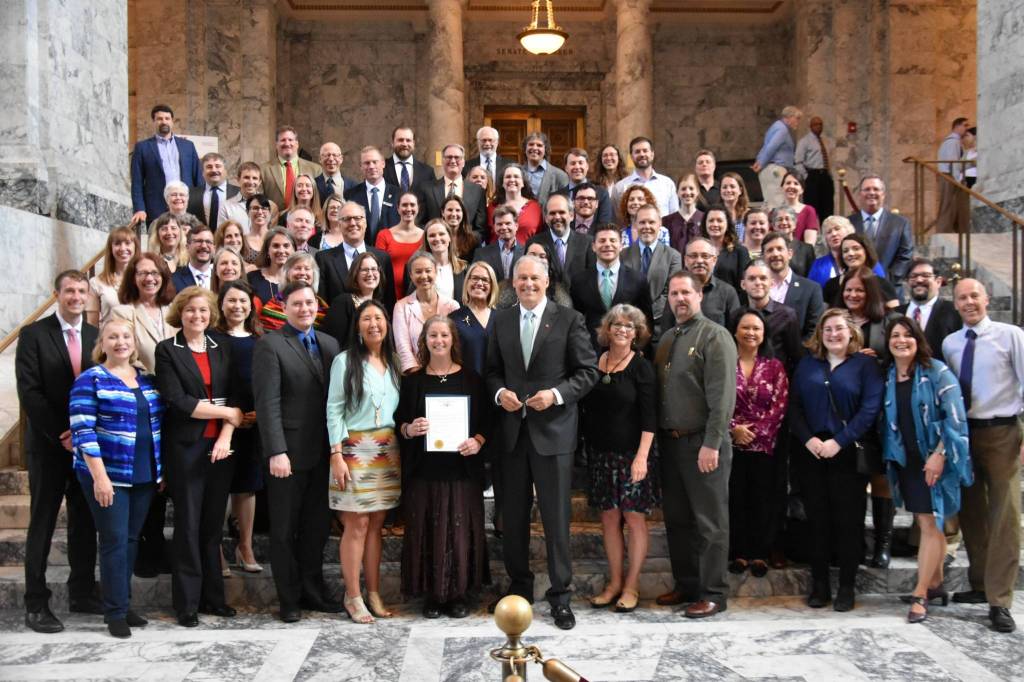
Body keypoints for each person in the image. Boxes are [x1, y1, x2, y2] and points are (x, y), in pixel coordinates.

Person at [485, 255, 599, 630]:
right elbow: (491, 371)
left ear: (547, 281)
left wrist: (556, 394)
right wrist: (499, 391)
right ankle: (519, 588)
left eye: (534, 278)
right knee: (512, 519)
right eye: (521, 279)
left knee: (556, 518)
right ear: (512, 283)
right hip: (513, 435)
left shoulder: (569, 319)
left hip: (554, 435)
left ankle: (561, 596)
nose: (528, 284)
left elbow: (588, 372)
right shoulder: (500, 320)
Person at [16, 270, 101, 633]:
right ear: (56, 295)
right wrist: (62, 433)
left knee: (85, 521)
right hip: (49, 447)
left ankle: (82, 591)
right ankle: (36, 602)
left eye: (82, 291)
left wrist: (85, 435)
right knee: (43, 522)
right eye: (69, 291)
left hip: (86, 448)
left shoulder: (96, 336)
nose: (76, 296)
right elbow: (30, 392)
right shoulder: (34, 334)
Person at [253, 281, 342, 623]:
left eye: (309, 303)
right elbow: (267, 402)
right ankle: (288, 598)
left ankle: (313, 591)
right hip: (286, 457)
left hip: (323, 454)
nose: (305, 309)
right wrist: (276, 450)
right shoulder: (271, 345)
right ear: (284, 307)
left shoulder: (330, 344)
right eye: (297, 304)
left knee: (316, 528)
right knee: (284, 530)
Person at [68, 317, 163, 638]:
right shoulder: (90, 379)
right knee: (114, 541)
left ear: (134, 343)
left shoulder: (147, 380)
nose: (120, 341)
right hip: (108, 475)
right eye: (112, 337)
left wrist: (160, 470)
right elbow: (83, 431)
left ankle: (123, 601)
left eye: (126, 336)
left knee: (132, 539)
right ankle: (115, 612)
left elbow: (156, 427)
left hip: (144, 473)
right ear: (102, 344)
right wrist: (100, 477)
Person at [155, 287, 242, 627]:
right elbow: (178, 400)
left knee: (211, 528)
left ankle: (213, 599)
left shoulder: (223, 347)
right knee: (187, 528)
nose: (198, 316)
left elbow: (236, 397)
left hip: (221, 449)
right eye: (191, 310)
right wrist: (227, 413)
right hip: (185, 451)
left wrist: (227, 431)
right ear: (181, 312)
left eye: (203, 311)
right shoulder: (167, 350)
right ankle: (187, 604)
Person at [789, 308, 884, 612]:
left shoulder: (865, 366)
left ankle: (846, 585)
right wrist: (809, 439)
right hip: (812, 452)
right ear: (820, 334)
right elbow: (794, 407)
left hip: (848, 455)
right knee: (817, 522)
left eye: (839, 329)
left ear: (851, 332)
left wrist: (838, 442)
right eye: (827, 329)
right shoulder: (807, 365)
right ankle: (819, 585)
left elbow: (870, 410)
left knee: (849, 523)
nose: (833, 335)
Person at [654, 271, 737, 618]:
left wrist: (712, 443)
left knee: (709, 522)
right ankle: (686, 584)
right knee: (678, 519)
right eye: (674, 294)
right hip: (671, 445)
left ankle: (713, 592)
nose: (680, 299)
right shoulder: (668, 338)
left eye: (686, 292)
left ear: (700, 296)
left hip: (703, 444)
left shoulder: (715, 336)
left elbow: (722, 398)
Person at [943, 278, 1024, 634]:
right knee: (972, 511)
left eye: (974, 295)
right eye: (962, 298)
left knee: (1005, 514)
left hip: (1002, 431)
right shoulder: (951, 342)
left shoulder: (1011, 336)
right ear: (955, 304)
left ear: (986, 299)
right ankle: (980, 583)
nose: (969, 302)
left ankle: (1000, 600)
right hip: (965, 434)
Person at [396, 316, 489, 618]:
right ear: (424, 341)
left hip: (462, 470)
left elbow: (489, 421)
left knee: (460, 533)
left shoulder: (473, 379)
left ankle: (459, 595)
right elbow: (399, 423)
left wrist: (477, 440)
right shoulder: (413, 381)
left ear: (453, 340)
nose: (439, 341)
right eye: (433, 336)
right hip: (425, 471)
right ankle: (433, 596)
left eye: (444, 335)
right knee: (428, 529)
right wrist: (410, 429)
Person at [881, 316, 971, 623]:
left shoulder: (936, 372)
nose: (901, 340)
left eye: (908, 335)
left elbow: (955, 418)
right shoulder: (891, 374)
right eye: (895, 335)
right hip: (908, 461)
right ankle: (934, 584)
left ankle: (920, 594)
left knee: (931, 523)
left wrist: (940, 454)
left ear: (917, 339)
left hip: (934, 459)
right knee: (925, 521)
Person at [326, 299, 402, 623]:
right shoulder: (345, 361)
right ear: (357, 326)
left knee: (376, 525)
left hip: (386, 449)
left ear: (387, 324)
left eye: (379, 318)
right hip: (353, 449)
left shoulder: (394, 361)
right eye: (367, 318)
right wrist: (336, 454)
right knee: (356, 524)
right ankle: (353, 595)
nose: (374, 324)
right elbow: (333, 409)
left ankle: (372, 591)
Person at [583, 305, 658, 613]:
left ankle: (631, 585)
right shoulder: (595, 362)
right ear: (607, 329)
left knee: (635, 518)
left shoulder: (641, 368)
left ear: (636, 332)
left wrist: (641, 457)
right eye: (617, 324)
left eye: (629, 326)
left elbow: (650, 417)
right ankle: (614, 583)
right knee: (609, 519)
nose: (623, 330)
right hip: (601, 456)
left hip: (632, 456)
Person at [727, 308, 788, 577]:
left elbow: (780, 405)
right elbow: (715, 400)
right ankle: (738, 552)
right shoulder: (725, 363)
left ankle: (760, 552)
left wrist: (756, 434)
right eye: (745, 327)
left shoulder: (774, 367)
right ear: (735, 331)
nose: (751, 333)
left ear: (764, 335)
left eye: (756, 329)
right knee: (736, 498)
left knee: (763, 499)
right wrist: (734, 430)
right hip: (730, 445)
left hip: (765, 446)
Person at [214, 281, 263, 573]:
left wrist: (257, 414)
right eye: (231, 301)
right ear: (221, 304)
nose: (237, 306)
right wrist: (226, 415)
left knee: (247, 487)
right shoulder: (212, 338)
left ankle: (245, 546)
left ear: (251, 305)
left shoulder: (260, 340)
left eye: (243, 301)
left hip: (252, 422)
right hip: (219, 422)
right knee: (220, 488)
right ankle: (216, 549)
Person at [570, 223, 653, 352]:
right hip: (590, 352)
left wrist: (642, 350)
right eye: (602, 241)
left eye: (613, 240)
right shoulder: (579, 280)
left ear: (621, 246)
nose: (607, 244)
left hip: (627, 352)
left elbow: (647, 320)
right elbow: (576, 320)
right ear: (593, 246)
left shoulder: (638, 279)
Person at [315, 200, 396, 310]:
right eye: (347, 219)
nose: (353, 223)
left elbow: (389, 302)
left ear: (366, 223)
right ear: (339, 225)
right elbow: (322, 305)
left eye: (358, 218)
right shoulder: (324, 259)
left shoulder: (383, 258)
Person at [130, 104, 202, 224]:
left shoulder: (188, 146)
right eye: (159, 119)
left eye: (167, 118)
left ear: (172, 121)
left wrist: (200, 205)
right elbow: (137, 182)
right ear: (154, 122)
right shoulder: (142, 148)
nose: (164, 122)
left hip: (187, 206)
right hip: (156, 208)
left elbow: (198, 178)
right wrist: (139, 208)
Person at [621, 204, 683, 342]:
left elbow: (670, 291)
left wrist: (646, 315)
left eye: (651, 222)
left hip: (661, 328)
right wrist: (634, 317)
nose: (646, 226)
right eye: (642, 222)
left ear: (659, 224)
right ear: (635, 224)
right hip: (629, 328)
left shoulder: (673, 256)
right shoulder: (623, 255)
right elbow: (621, 290)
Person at [111, 253, 179, 373]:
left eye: (154, 273)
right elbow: (126, 357)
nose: (149, 278)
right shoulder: (122, 313)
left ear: (163, 276)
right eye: (142, 273)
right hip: (144, 384)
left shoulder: (174, 310)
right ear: (133, 278)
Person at [394, 252, 461, 373]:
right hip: (415, 376)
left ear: (436, 272)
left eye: (428, 270)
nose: (424, 276)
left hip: (449, 373)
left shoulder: (453, 306)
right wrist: (420, 377)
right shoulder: (401, 307)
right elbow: (403, 348)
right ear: (411, 275)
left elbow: (457, 345)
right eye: (418, 272)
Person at [848, 174, 914, 289]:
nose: (871, 192)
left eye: (876, 189)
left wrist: (886, 279)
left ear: (883, 194)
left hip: (889, 288)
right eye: (867, 189)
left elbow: (905, 255)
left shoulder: (900, 223)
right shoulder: (848, 223)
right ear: (860, 194)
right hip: (856, 288)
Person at [738, 261, 803, 373]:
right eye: (752, 278)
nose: (758, 283)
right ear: (743, 285)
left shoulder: (787, 315)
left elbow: (796, 356)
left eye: (763, 278)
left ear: (772, 283)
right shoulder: (737, 316)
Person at [762, 231, 826, 340]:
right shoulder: (757, 287)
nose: (775, 254)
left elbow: (814, 330)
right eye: (770, 250)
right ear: (763, 257)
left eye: (780, 249)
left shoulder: (811, 289)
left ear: (790, 254)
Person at [898, 258, 962, 363]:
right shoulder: (895, 314)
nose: (919, 280)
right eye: (913, 276)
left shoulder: (954, 312)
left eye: (925, 276)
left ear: (938, 281)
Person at [320, 251, 388, 348]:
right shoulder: (343, 302)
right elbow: (332, 343)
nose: (370, 274)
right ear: (355, 274)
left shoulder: (380, 307)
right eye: (364, 270)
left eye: (374, 269)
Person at [423, 144, 487, 243]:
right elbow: (421, 223)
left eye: (457, 157)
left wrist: (466, 242)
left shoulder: (477, 190)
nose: (453, 161)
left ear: (463, 162)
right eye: (449, 157)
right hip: (435, 248)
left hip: (467, 251)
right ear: (442, 161)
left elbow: (481, 228)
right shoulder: (427, 189)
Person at [527, 194, 596, 284]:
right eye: (552, 213)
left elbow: (592, 278)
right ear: (546, 218)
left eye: (561, 212)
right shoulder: (534, 243)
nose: (557, 217)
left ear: (571, 215)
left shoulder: (587, 243)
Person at [823, 233, 899, 307]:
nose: (851, 253)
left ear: (866, 251)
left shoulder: (883, 284)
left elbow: (895, 317)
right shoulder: (831, 285)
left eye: (856, 248)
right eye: (845, 251)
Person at [258, 251, 328, 332]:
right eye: (297, 268)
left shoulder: (323, 307)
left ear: (314, 275)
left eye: (307, 269)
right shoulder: (273, 306)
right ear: (287, 273)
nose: (302, 272)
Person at [343, 145, 400, 244]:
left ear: (383, 163)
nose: (371, 166)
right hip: (361, 254)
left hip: (390, 252)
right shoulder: (350, 195)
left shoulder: (399, 194)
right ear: (361, 167)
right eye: (366, 163)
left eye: (375, 162)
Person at [451, 261, 499, 377]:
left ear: (492, 285)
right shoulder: (453, 319)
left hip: (497, 389)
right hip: (465, 386)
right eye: (475, 278)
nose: (479, 283)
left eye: (485, 280)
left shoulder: (502, 318)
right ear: (467, 282)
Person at [611, 137, 679, 216]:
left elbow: (674, 216)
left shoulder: (667, 183)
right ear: (631, 157)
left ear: (652, 154)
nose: (642, 154)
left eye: (645, 151)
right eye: (637, 152)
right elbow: (617, 219)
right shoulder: (620, 187)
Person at [260, 125, 322, 211]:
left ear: (297, 144)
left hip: (307, 220)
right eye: (283, 140)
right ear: (276, 145)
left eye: (290, 140)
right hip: (275, 221)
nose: (287, 143)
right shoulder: (263, 170)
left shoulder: (316, 169)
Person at [375, 191, 424, 299]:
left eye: (412, 205)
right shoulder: (384, 235)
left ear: (418, 208)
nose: (408, 209)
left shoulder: (426, 236)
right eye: (404, 205)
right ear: (398, 208)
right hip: (389, 295)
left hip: (419, 295)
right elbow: (379, 268)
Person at [808, 215, 882, 287]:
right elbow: (811, 290)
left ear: (848, 231)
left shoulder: (868, 261)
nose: (834, 234)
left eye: (837, 228)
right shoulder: (818, 264)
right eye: (829, 232)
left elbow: (882, 287)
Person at [497, 241, 573, 310]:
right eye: (532, 255)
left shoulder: (559, 293)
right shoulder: (505, 287)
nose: (536, 259)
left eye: (542, 256)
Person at [88, 226, 140, 326]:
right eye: (117, 244)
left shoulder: (144, 280)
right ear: (111, 249)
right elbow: (92, 325)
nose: (123, 248)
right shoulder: (95, 283)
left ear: (135, 247)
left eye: (128, 243)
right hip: (110, 339)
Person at [752, 105, 802, 208]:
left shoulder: (776, 126)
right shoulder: (782, 129)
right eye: (797, 118)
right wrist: (760, 163)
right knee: (778, 202)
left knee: (770, 202)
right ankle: (775, 223)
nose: (798, 122)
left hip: (770, 168)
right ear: (790, 117)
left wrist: (760, 161)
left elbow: (766, 146)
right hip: (776, 169)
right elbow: (771, 146)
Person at [408, 219, 467, 302]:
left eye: (441, 234)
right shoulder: (418, 269)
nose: (437, 238)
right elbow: (410, 301)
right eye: (432, 235)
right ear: (427, 240)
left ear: (449, 237)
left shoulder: (464, 268)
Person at [552, 148, 614, 224]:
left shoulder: (602, 193)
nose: (577, 167)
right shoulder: (557, 197)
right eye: (573, 163)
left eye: (581, 163)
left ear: (587, 166)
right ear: (566, 168)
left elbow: (604, 223)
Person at [794, 116, 835, 223]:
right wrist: (806, 177)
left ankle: (826, 231)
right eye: (816, 124)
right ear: (811, 126)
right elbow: (798, 161)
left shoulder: (825, 141)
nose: (819, 127)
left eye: (821, 124)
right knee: (812, 208)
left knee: (827, 208)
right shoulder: (804, 141)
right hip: (812, 176)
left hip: (825, 176)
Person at [489, 164, 543, 244]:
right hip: (496, 255)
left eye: (516, 176)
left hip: (528, 255)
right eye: (508, 177)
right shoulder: (492, 208)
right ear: (502, 183)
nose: (512, 179)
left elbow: (541, 236)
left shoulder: (535, 208)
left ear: (523, 183)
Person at [701, 206, 750, 292]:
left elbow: (745, 285)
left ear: (727, 225)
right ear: (705, 224)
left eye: (719, 221)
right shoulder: (698, 251)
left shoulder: (739, 252)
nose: (715, 224)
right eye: (711, 220)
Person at [935, 117, 970, 234]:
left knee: (954, 204)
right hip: (949, 176)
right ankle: (944, 231)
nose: (966, 128)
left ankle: (957, 230)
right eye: (965, 125)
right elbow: (953, 162)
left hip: (948, 176)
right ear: (957, 126)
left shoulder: (951, 142)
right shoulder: (952, 142)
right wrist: (957, 179)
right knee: (948, 204)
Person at [187, 152, 239, 228]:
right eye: (209, 167)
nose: (214, 170)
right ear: (203, 172)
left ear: (225, 171)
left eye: (218, 166)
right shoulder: (191, 194)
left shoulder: (238, 193)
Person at [472, 204, 523, 282]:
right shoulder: (481, 254)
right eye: (499, 224)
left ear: (516, 226)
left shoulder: (526, 252)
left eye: (508, 223)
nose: (504, 227)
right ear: (494, 227)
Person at [246, 227, 295, 306]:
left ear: (293, 250)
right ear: (267, 251)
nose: (281, 251)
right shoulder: (251, 278)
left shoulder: (298, 280)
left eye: (286, 246)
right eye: (276, 246)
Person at [382, 125, 436, 196]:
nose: (405, 144)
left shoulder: (427, 172)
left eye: (408, 140)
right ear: (392, 143)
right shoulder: (381, 168)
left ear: (413, 143)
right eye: (400, 140)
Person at [521, 131, 569, 207]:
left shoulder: (560, 176)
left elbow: (566, 204)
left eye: (539, 145)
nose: (534, 148)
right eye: (531, 144)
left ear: (546, 149)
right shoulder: (517, 173)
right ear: (525, 148)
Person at [663, 173, 704, 256]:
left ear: (698, 191)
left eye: (691, 188)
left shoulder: (705, 219)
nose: (687, 192)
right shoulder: (666, 221)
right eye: (683, 189)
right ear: (677, 192)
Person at [217, 162, 264, 232]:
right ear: (238, 179)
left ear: (259, 182)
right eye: (246, 177)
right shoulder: (226, 207)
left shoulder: (270, 206)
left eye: (255, 178)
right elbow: (222, 236)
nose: (251, 182)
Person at [769, 207, 815, 277]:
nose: (784, 222)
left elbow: (811, 277)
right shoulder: (768, 248)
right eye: (780, 219)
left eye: (787, 219)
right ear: (774, 225)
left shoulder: (807, 249)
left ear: (795, 224)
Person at [171, 224, 216, 292]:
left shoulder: (220, 278)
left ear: (214, 248)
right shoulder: (174, 280)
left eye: (208, 242)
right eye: (199, 241)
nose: (204, 246)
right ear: (187, 247)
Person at [780, 171, 819, 245]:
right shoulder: (774, 212)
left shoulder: (809, 211)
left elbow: (809, 244)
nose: (791, 186)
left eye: (796, 183)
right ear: (782, 187)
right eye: (788, 183)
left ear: (802, 190)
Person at [439, 195, 480, 260]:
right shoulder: (436, 237)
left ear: (463, 213)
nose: (454, 214)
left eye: (458, 210)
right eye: (450, 210)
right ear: (442, 213)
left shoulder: (474, 239)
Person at [242, 195, 277, 266]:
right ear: (247, 212)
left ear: (270, 212)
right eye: (255, 208)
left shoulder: (277, 238)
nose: (260, 212)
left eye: (264, 208)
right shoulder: (241, 240)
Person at [718, 173, 750, 242]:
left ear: (740, 190)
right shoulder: (716, 214)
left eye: (732, 186)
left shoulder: (748, 214)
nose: (728, 190)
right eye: (724, 187)